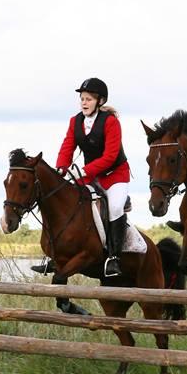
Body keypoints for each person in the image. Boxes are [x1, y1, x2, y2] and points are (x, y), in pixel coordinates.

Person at [54, 77, 132, 277]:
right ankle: (56, 254)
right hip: (90, 176)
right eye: (82, 98)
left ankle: (114, 257)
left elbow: (110, 157)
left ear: (100, 101)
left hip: (115, 175)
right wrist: (61, 168)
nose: (84, 102)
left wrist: (85, 170)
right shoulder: (75, 121)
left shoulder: (111, 122)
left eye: (88, 99)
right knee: (68, 200)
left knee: (114, 207)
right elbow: (67, 147)